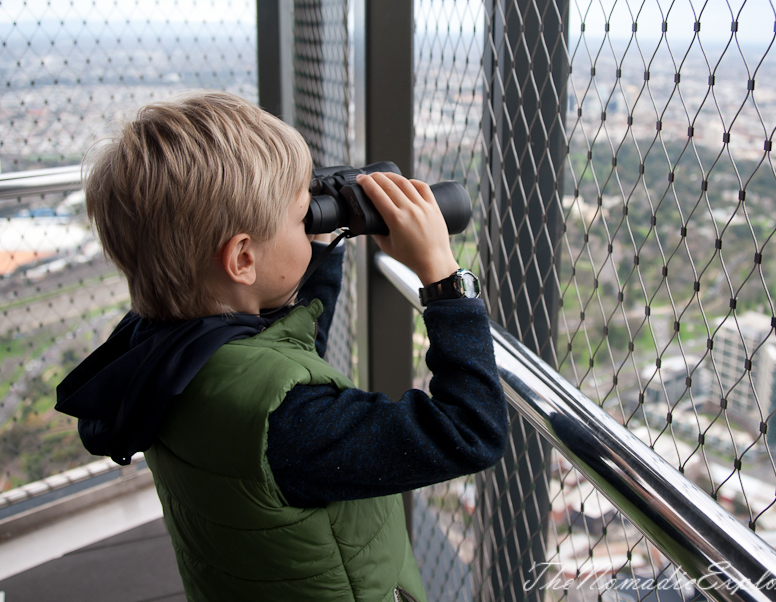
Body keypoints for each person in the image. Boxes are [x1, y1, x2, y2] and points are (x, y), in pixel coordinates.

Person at [55, 90, 507, 602]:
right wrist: (442, 276)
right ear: (242, 258)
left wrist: (312, 236)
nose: (310, 222)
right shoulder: (290, 424)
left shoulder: (158, 351)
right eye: (302, 217)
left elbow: (284, 352)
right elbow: (469, 430)